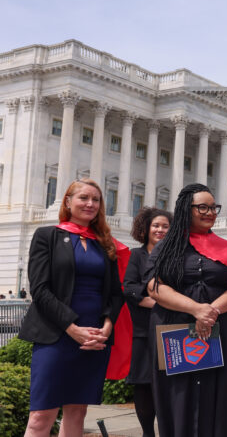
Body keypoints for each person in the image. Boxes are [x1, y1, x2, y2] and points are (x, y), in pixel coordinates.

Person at [19, 178, 129, 436]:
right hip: (56, 334)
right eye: (83, 198)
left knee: (77, 412)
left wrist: (107, 327)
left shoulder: (105, 243)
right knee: (40, 416)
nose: (90, 204)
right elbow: (40, 290)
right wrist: (72, 328)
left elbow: (115, 292)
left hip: (94, 336)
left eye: (96, 199)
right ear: (68, 202)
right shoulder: (47, 236)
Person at [145, 183, 227, 437]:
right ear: (185, 209)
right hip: (175, 326)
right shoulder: (166, 247)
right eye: (202, 207)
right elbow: (155, 287)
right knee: (178, 395)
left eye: (214, 208)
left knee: (220, 393)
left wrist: (210, 312)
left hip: (220, 328)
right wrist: (196, 310)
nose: (210, 212)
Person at [123, 207, 172, 437]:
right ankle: (147, 433)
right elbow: (130, 289)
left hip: (171, 327)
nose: (160, 230)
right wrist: (160, 302)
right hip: (145, 328)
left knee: (168, 383)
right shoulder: (137, 255)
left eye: (165, 226)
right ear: (146, 228)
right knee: (143, 383)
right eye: (156, 226)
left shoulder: (175, 256)